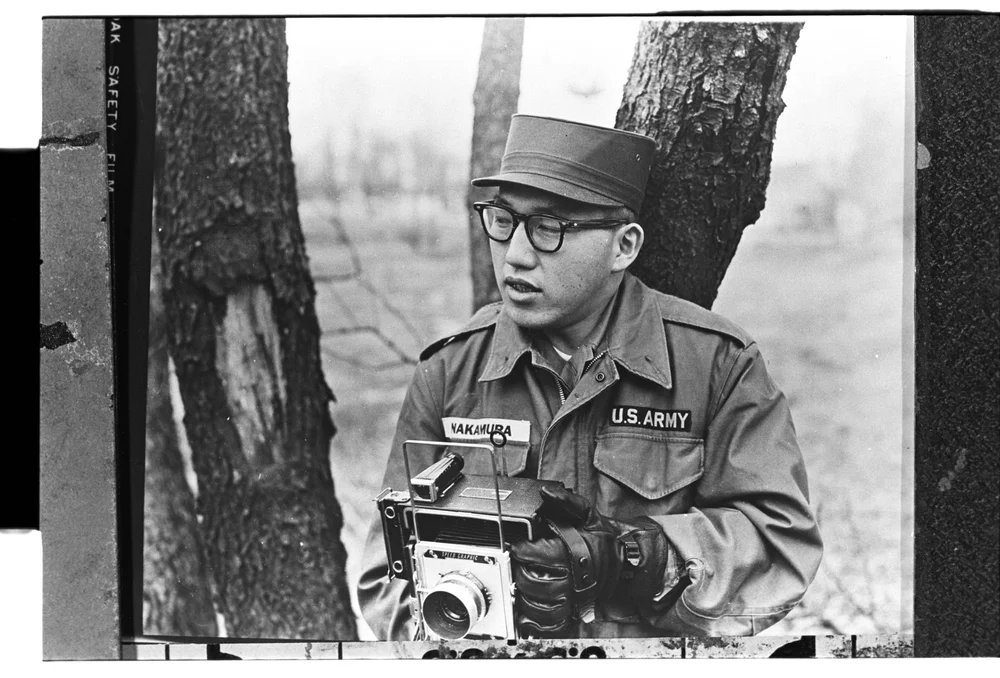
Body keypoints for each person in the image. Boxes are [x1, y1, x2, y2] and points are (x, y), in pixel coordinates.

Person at [357, 114, 822, 639]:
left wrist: (636, 558)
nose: (515, 255)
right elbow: (387, 576)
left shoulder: (716, 363)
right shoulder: (451, 370)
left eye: (549, 228)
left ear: (623, 246)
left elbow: (781, 544)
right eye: (504, 220)